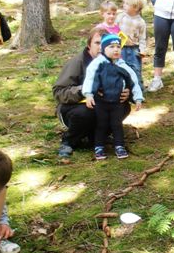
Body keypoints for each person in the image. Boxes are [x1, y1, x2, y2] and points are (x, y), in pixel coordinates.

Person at [52, 26, 130, 158]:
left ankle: (96, 138)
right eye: (97, 43)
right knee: (87, 112)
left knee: (124, 107)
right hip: (74, 107)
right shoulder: (77, 62)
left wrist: (128, 93)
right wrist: (84, 89)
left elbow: (129, 84)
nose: (101, 47)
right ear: (89, 45)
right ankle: (69, 141)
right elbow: (58, 92)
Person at [82, 33, 143, 160]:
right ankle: (99, 147)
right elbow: (90, 78)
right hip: (101, 102)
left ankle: (119, 146)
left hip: (117, 102)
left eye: (118, 47)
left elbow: (133, 81)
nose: (116, 49)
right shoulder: (97, 64)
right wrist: (88, 94)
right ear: (104, 49)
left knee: (116, 124)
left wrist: (137, 97)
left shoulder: (122, 65)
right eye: (111, 47)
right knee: (101, 124)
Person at [116, 0, 147, 90]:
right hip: (121, 48)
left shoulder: (140, 22)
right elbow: (114, 29)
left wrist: (142, 50)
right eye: (124, 3)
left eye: (127, 4)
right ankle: (122, 90)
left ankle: (138, 91)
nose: (123, 5)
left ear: (135, 7)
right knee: (121, 68)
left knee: (135, 69)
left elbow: (142, 37)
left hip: (134, 49)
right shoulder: (121, 17)